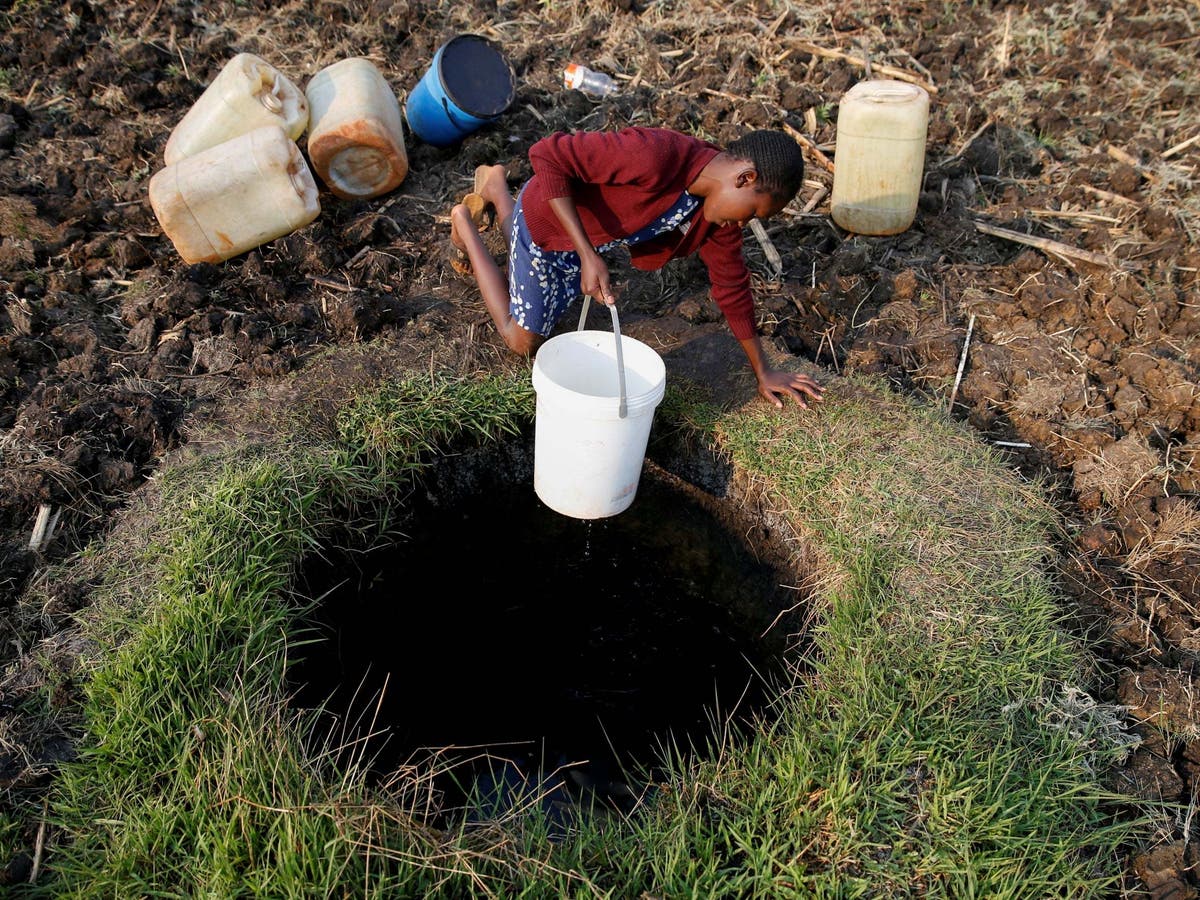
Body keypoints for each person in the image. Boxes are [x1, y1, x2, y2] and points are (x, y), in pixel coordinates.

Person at [448, 125, 824, 411]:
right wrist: (588, 253)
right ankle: (464, 222)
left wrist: (763, 370)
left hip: (580, 240)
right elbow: (548, 156)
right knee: (522, 340)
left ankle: (497, 190)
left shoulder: (714, 220)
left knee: (533, 266)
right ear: (745, 178)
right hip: (547, 217)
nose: (743, 224)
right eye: (753, 213)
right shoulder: (656, 155)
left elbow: (732, 286)